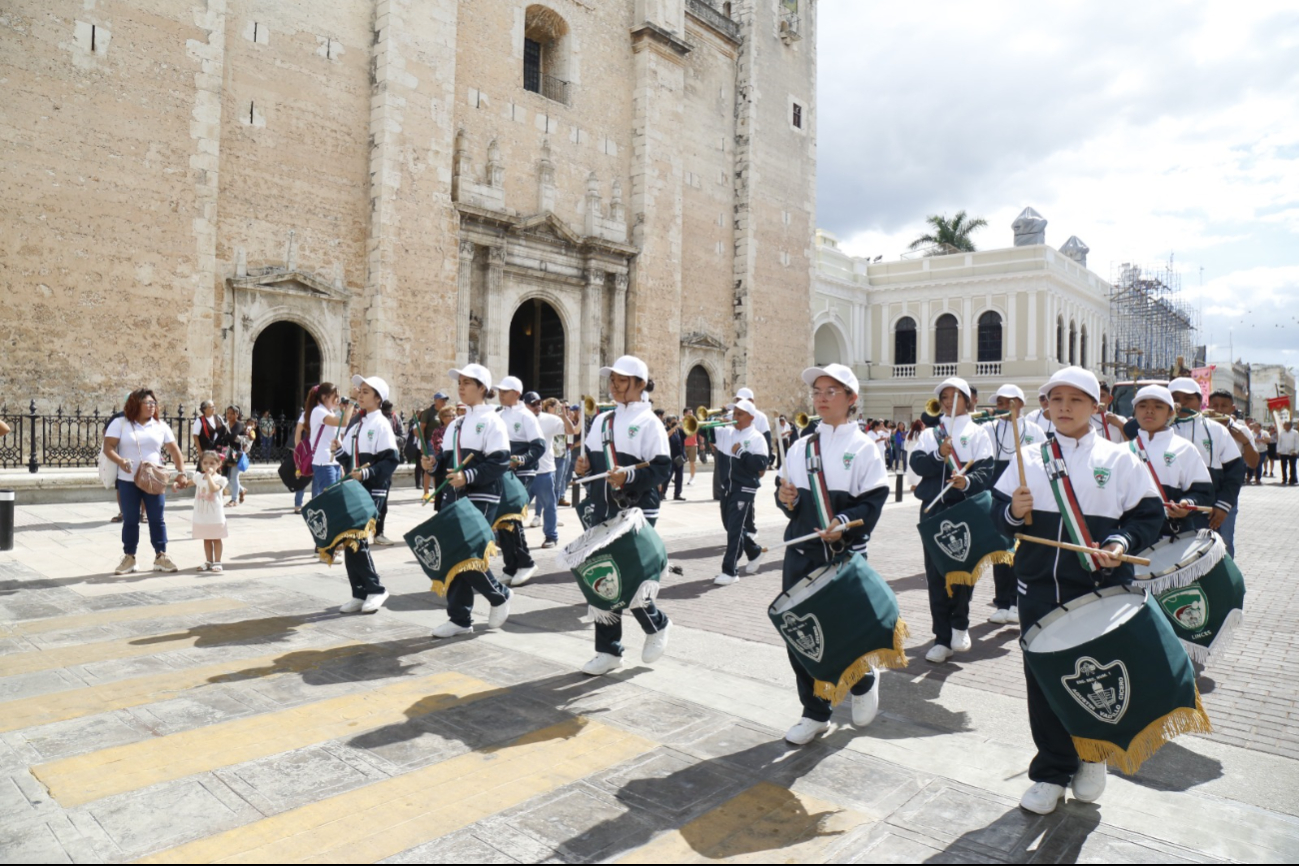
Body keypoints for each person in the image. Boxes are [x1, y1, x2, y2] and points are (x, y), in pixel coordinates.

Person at [991, 366, 1164, 815]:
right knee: (1044, 680)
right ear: (1045, 406)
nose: (1064, 407)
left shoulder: (1121, 458)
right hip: (1038, 590)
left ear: (1096, 406)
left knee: (1096, 676)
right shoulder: (1026, 457)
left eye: (1076, 399)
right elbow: (996, 518)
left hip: (1099, 589)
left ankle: (1093, 755)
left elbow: (1148, 517)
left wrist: (1121, 542)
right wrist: (1012, 511)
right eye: (1056, 399)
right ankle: (1051, 771)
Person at [776, 364, 890, 743]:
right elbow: (789, 501)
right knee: (801, 633)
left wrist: (844, 520)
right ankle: (815, 711)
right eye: (817, 391)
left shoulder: (864, 448)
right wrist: (785, 499)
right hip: (801, 553)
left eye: (831, 391)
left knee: (845, 630)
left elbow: (873, 502)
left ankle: (863, 680)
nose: (821, 398)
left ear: (851, 399)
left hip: (843, 558)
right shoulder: (799, 446)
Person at [573, 355, 673, 677]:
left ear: (639, 384)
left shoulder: (650, 423)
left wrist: (628, 477)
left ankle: (657, 625)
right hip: (604, 508)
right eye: (612, 379)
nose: (614, 385)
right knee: (603, 577)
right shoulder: (602, 421)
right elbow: (589, 459)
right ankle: (608, 650)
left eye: (621, 380)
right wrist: (583, 466)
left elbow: (660, 469)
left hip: (636, 510)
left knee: (629, 576)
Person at [421, 364, 513, 636]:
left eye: (467, 382)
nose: (460, 387)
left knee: (466, 553)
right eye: (459, 382)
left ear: (483, 388)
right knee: (453, 554)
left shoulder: (493, 420)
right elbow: (447, 463)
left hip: (481, 495)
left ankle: (499, 595)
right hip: (454, 495)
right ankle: (460, 618)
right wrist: (433, 465)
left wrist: (469, 476)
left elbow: (500, 462)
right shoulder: (457, 424)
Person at [909, 376, 995, 664]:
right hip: (934, 510)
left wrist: (967, 482)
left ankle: (960, 624)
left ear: (967, 399)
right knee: (935, 574)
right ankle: (941, 638)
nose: (949, 401)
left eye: (955, 395)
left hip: (964, 509)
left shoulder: (979, 432)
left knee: (964, 569)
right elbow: (917, 464)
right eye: (945, 396)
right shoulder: (930, 434)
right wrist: (938, 454)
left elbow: (986, 472)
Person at [329, 375, 400, 614]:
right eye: (360, 390)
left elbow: (391, 460)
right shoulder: (357, 424)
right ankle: (359, 592)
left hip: (373, 488)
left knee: (358, 538)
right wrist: (338, 452)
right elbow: (349, 459)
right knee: (350, 539)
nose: (360, 394)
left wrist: (366, 475)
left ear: (378, 398)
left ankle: (376, 589)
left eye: (366, 391)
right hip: (354, 487)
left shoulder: (381, 424)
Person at [103, 388, 190, 575]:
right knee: (130, 519)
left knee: (157, 519)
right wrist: (121, 461)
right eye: (147, 403)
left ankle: (161, 556)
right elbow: (108, 447)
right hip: (128, 480)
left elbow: (175, 451)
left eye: (154, 403)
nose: (152, 406)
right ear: (136, 404)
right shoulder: (120, 423)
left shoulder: (160, 426)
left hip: (154, 480)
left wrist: (181, 472)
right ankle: (129, 557)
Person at [986, 384, 1047, 625]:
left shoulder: (1034, 430)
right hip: (999, 491)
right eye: (1000, 402)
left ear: (1021, 404)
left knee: (1023, 549)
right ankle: (1002, 601)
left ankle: (1017, 601)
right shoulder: (989, 429)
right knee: (1000, 549)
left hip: (1026, 490)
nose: (1004, 406)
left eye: (1009, 402)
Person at [1168, 379, 1245, 555]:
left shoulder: (1217, 430)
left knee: (1213, 558)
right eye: (1175, 398)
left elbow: (1235, 471)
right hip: (1169, 512)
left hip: (1208, 512)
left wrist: (1223, 505)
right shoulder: (1159, 429)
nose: (1182, 403)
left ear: (1200, 402)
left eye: (1188, 398)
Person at [1129, 385, 1214, 536]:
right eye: (1142, 406)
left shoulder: (1185, 448)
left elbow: (1203, 493)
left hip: (1171, 536)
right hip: (1130, 536)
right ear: (1135, 411)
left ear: (1171, 412)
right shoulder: (1122, 450)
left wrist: (1186, 506)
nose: (1149, 410)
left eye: (1158, 406)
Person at [712, 400, 769, 585]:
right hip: (728, 487)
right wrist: (713, 418)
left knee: (735, 530)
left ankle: (730, 571)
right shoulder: (726, 432)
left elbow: (761, 466)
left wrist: (742, 453)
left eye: (739, 414)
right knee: (730, 525)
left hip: (745, 487)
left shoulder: (757, 437)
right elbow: (702, 431)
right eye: (734, 413)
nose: (735, 417)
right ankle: (754, 551)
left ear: (751, 418)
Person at [496, 377, 543, 586]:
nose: (501, 394)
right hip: (503, 471)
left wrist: (522, 460)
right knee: (502, 517)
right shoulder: (497, 414)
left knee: (512, 515)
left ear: (516, 393)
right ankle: (510, 566)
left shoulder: (527, 416)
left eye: (505, 391)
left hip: (522, 472)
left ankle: (526, 563)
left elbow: (539, 446)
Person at [527, 392, 570, 549]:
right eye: (533, 404)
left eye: (539, 403)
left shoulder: (550, 420)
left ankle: (551, 536)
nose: (537, 406)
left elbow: (570, 431)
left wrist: (565, 416)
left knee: (549, 505)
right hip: (523, 472)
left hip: (544, 470)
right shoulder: (519, 419)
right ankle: (508, 538)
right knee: (515, 507)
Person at [304, 383, 355, 500]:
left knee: (334, 497)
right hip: (324, 462)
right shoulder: (318, 411)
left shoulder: (330, 413)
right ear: (324, 397)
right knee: (331, 498)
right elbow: (344, 422)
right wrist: (352, 401)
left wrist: (340, 464)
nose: (338, 400)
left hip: (333, 461)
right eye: (335, 396)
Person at [191, 450, 229, 573]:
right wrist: (178, 484)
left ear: (219, 464)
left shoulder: (220, 479)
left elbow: (213, 489)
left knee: (216, 538)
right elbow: (188, 483)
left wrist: (209, 477)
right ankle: (209, 560)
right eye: (205, 463)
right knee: (206, 539)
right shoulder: (198, 477)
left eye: (212, 463)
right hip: (202, 516)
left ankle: (217, 561)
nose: (208, 466)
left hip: (215, 516)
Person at [223, 405, 248, 507]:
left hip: (236, 453)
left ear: (236, 414)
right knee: (228, 478)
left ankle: (234, 499)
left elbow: (232, 437)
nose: (229, 415)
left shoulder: (239, 425)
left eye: (231, 413)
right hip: (227, 453)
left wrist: (226, 437)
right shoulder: (226, 425)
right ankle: (242, 490)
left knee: (234, 477)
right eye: (228, 413)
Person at [665, 415, 686, 501]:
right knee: (668, 476)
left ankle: (677, 494)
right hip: (670, 457)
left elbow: (688, 434)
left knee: (679, 476)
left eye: (675, 422)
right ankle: (662, 493)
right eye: (673, 422)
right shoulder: (666, 430)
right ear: (668, 423)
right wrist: (674, 428)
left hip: (679, 457)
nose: (675, 424)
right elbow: (666, 435)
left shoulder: (679, 431)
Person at [903, 419, 924, 492]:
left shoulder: (910, 433)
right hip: (918, 453)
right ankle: (918, 484)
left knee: (911, 468)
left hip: (910, 452)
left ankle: (913, 484)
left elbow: (905, 444)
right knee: (919, 467)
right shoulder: (921, 433)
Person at [1277, 420, 1299, 485]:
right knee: (1283, 466)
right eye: (1284, 425)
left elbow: (1297, 443)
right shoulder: (1282, 433)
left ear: (1290, 426)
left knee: (1292, 466)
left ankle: (1292, 479)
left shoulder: (1295, 433)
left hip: (1292, 452)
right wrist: (1278, 450)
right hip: (1283, 452)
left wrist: (1296, 451)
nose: (1285, 426)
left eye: (1287, 425)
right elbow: (1279, 442)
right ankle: (1284, 478)